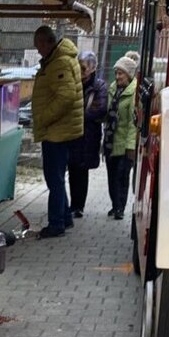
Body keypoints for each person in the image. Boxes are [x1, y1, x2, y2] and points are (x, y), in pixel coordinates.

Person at [30, 25, 84, 238]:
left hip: (56, 131)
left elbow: (66, 96)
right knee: (57, 177)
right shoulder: (60, 59)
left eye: (38, 47)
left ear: (45, 42)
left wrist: (44, 118)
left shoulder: (58, 62)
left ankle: (56, 223)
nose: (38, 51)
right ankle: (65, 217)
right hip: (60, 129)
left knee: (54, 179)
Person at [68, 51, 108, 219]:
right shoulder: (73, 83)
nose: (81, 71)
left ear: (93, 68)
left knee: (82, 170)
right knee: (72, 169)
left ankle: (79, 206)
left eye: (84, 67)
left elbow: (100, 108)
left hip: (88, 135)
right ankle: (73, 204)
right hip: (73, 133)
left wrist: (78, 116)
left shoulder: (99, 85)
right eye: (79, 67)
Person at [103, 56, 138, 220]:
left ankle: (120, 208)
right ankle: (114, 204)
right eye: (116, 73)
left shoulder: (133, 93)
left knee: (122, 177)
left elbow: (133, 123)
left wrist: (131, 146)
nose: (117, 77)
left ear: (129, 75)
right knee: (111, 177)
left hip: (125, 145)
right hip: (111, 142)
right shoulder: (112, 90)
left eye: (121, 74)